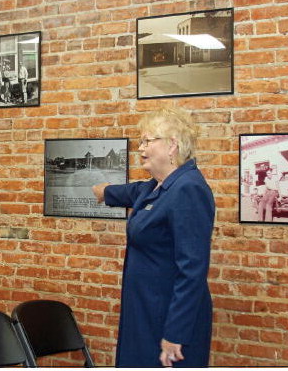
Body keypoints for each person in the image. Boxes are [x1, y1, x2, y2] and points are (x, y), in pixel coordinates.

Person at [91, 107, 214, 367]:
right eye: (141, 141)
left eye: (148, 141)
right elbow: (134, 192)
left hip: (167, 320)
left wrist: (175, 333)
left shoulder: (188, 188)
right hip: (144, 312)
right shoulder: (157, 185)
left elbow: (192, 269)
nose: (140, 147)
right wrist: (105, 192)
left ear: (172, 146)